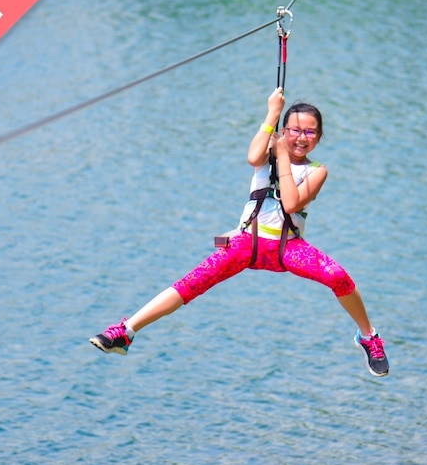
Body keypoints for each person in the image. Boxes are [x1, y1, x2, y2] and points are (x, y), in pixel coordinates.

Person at [90, 87, 389, 376]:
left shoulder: (317, 170)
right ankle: (126, 332)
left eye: (310, 132)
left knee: (338, 276)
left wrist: (283, 156)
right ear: (282, 131)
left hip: (289, 248)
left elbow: (291, 202)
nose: (301, 137)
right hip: (247, 242)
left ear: (319, 137)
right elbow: (252, 156)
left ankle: (368, 336)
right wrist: (272, 113)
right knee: (190, 283)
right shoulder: (265, 157)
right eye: (294, 130)